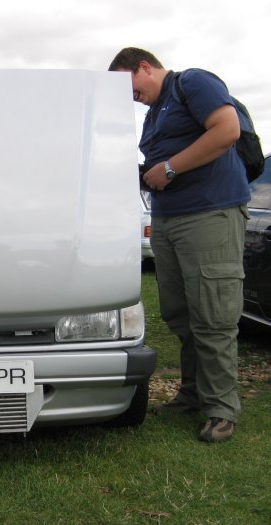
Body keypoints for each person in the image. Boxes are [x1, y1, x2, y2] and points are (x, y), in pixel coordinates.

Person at [109, 48, 250, 443]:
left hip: (209, 215)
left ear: (144, 67)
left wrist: (170, 168)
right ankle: (192, 394)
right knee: (180, 312)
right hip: (169, 219)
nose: (130, 97)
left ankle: (221, 409)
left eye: (129, 86)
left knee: (213, 315)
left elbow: (226, 130)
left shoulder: (193, 82)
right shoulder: (156, 111)